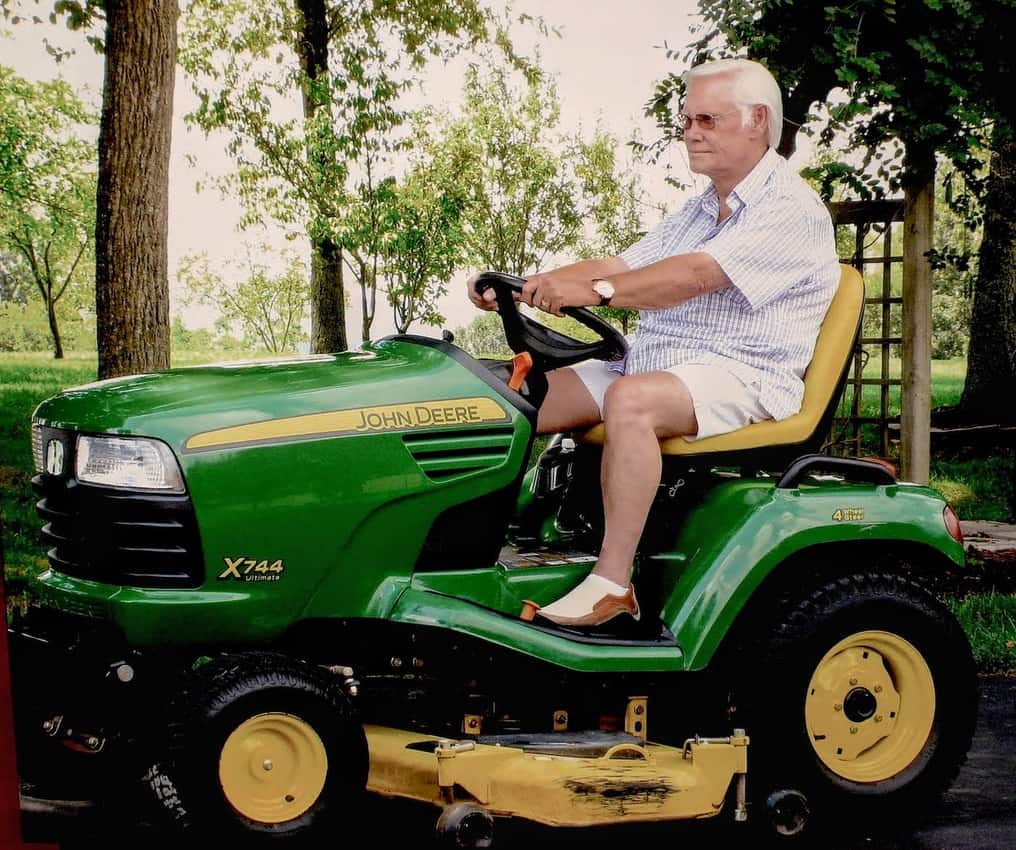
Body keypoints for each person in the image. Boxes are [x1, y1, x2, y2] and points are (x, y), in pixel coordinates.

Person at [468, 58, 840, 629]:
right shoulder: (699, 208)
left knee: (631, 401)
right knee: (506, 394)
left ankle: (613, 584)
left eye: (707, 120)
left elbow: (693, 276)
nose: (691, 132)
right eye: (687, 121)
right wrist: (531, 285)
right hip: (660, 362)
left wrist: (596, 291)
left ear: (758, 121)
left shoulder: (790, 209)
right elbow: (623, 264)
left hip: (742, 374)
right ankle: (463, 553)